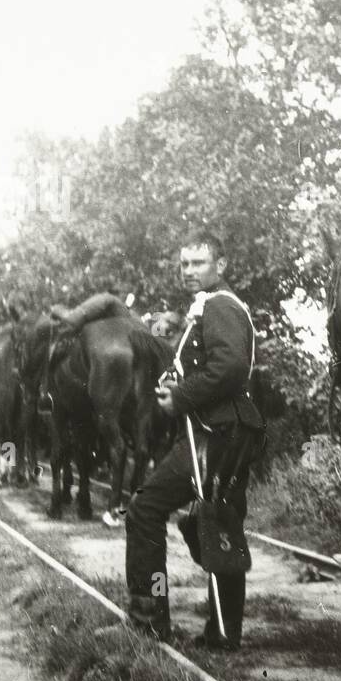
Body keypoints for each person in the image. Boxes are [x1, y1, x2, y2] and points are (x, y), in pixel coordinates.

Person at [124, 230, 264, 649]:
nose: (188, 271)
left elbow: (232, 367)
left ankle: (148, 619)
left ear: (220, 266)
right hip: (226, 430)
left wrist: (181, 395)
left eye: (198, 263)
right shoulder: (210, 306)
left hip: (216, 434)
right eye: (184, 263)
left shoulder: (220, 305)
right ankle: (223, 634)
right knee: (221, 518)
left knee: (145, 508)